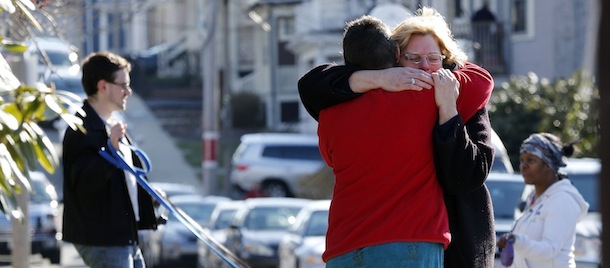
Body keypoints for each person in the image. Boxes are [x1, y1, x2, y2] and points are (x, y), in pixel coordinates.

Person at [298, 7, 496, 268]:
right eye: (413, 58)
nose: (425, 69)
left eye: (434, 58)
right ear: (396, 56)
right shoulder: (425, 97)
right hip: (413, 242)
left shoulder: (330, 113)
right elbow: (482, 80)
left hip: (344, 244)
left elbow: (310, 87)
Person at [62, 51, 158, 267]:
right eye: (123, 85)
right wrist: (112, 149)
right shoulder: (81, 129)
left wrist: (149, 196)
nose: (128, 92)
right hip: (103, 241)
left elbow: (125, 179)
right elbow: (83, 183)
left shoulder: (112, 126)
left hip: (124, 237)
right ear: (103, 86)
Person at [497, 133, 589, 267]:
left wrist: (517, 240)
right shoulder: (534, 199)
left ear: (548, 165)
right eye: (522, 160)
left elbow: (550, 250)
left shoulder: (563, 200)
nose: (523, 166)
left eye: (531, 160)